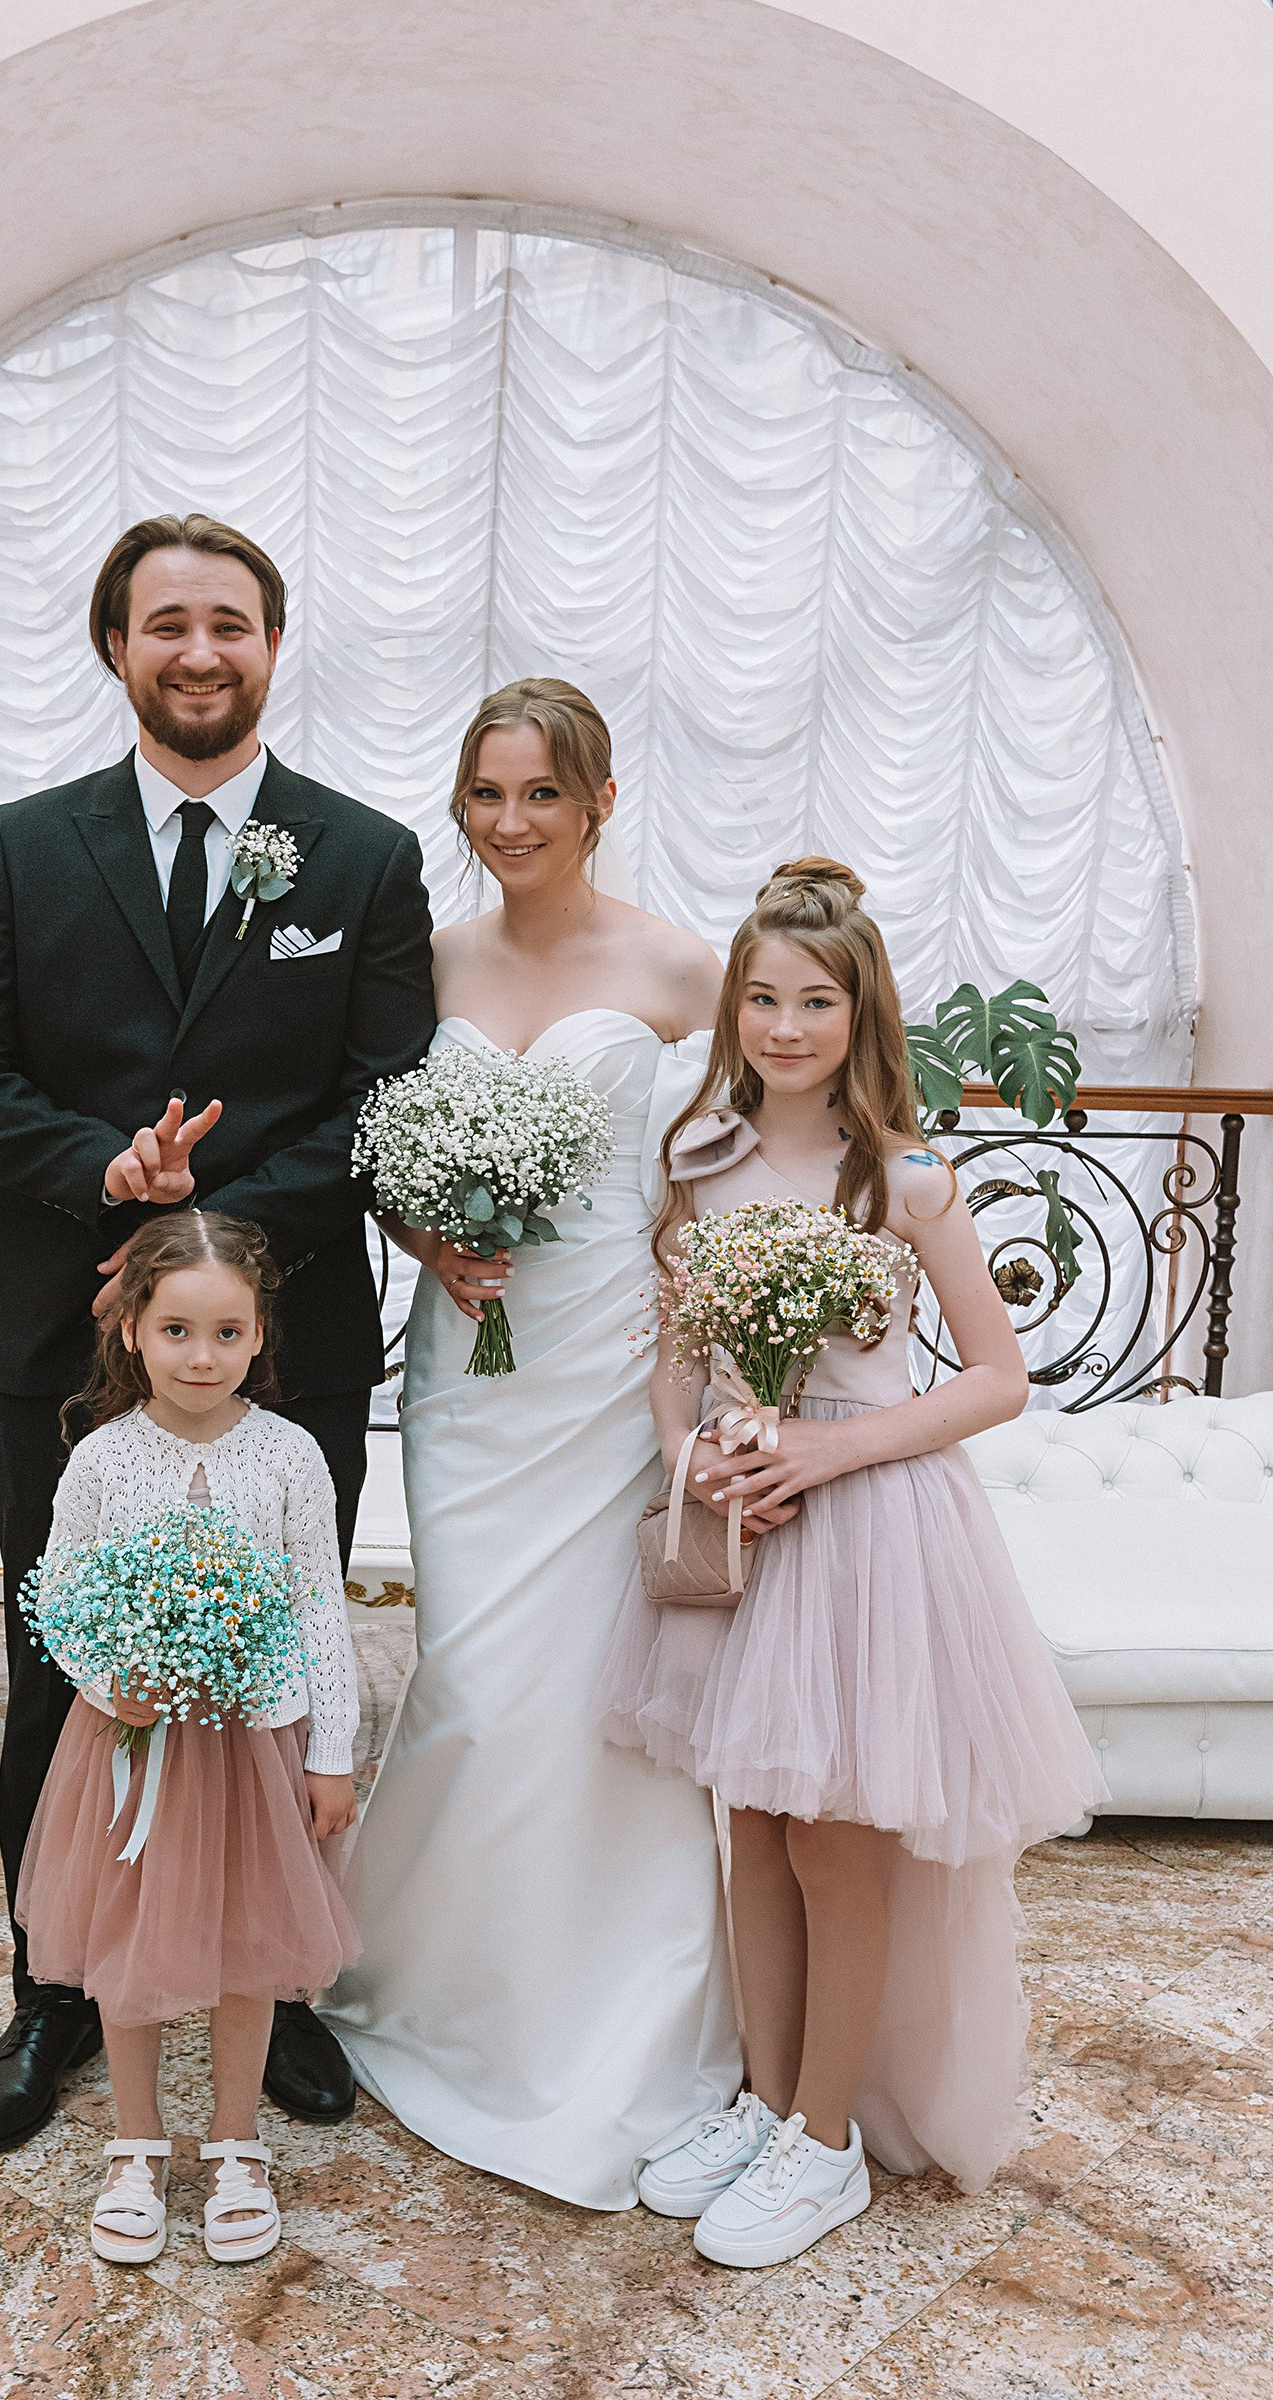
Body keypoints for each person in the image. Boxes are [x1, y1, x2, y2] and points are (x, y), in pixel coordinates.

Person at [0, 513, 436, 2155]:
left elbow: (385, 1097)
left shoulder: (361, 856)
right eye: (166, 624)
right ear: (116, 646)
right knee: (64, 1671)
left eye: (230, 624)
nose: (199, 652)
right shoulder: (23, 846)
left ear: (271, 645)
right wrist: (103, 1174)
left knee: (281, 1658)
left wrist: (207, 1241)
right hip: (56, 1346)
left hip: (293, 1344)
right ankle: (53, 1989)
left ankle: (270, 1984)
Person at [597, 859, 1104, 2266]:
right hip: (748, 1527)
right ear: (732, 1010)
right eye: (761, 998)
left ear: (860, 1011)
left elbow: (996, 1378)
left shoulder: (907, 1180)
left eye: (814, 1000)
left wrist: (832, 1450)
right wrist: (695, 1456)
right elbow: (677, 1356)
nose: (784, 1025)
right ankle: (767, 2104)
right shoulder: (699, 1160)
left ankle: (826, 2146)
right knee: (751, 1827)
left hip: (870, 1531)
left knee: (833, 1837)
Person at [320, 679, 747, 2210]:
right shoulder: (430, 959)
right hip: (469, 1372)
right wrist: (425, 1233)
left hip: (612, 1371)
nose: (511, 823)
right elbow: (372, 1150)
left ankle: (619, 2006)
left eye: (543, 794)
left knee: (597, 1684)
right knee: (477, 1673)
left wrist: (720, 1327)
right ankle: (449, 1981)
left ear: (600, 801)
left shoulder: (680, 964)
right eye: (487, 795)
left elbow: (753, 1138)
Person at [16, 1209, 359, 2265]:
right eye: (176, 1330)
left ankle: (236, 2142)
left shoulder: (291, 1457)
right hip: (129, 1746)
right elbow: (60, 1594)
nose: (201, 1356)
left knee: (248, 1945)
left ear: (259, 1337)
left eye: (226, 1333)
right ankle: (136, 2144)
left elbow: (319, 1606)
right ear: (131, 1330)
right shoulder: (103, 1459)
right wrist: (106, 1681)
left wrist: (330, 1752)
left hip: (253, 1748)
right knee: (129, 1940)